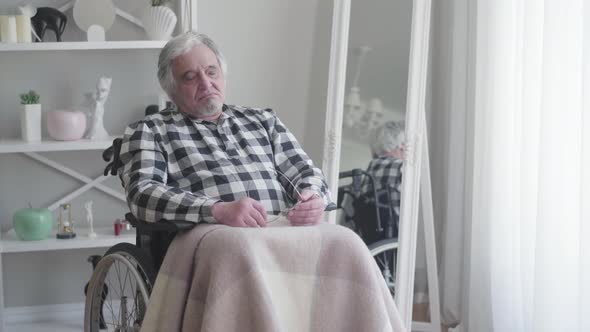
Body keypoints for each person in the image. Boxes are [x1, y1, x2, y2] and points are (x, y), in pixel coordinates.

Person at [118, 32, 332, 228]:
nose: (206, 83)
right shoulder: (151, 130)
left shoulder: (264, 120)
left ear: (223, 75)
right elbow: (143, 194)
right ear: (171, 90)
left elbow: (305, 171)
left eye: (212, 72)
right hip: (217, 236)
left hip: (283, 229)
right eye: (190, 77)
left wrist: (313, 197)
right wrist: (217, 210)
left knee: (346, 242)